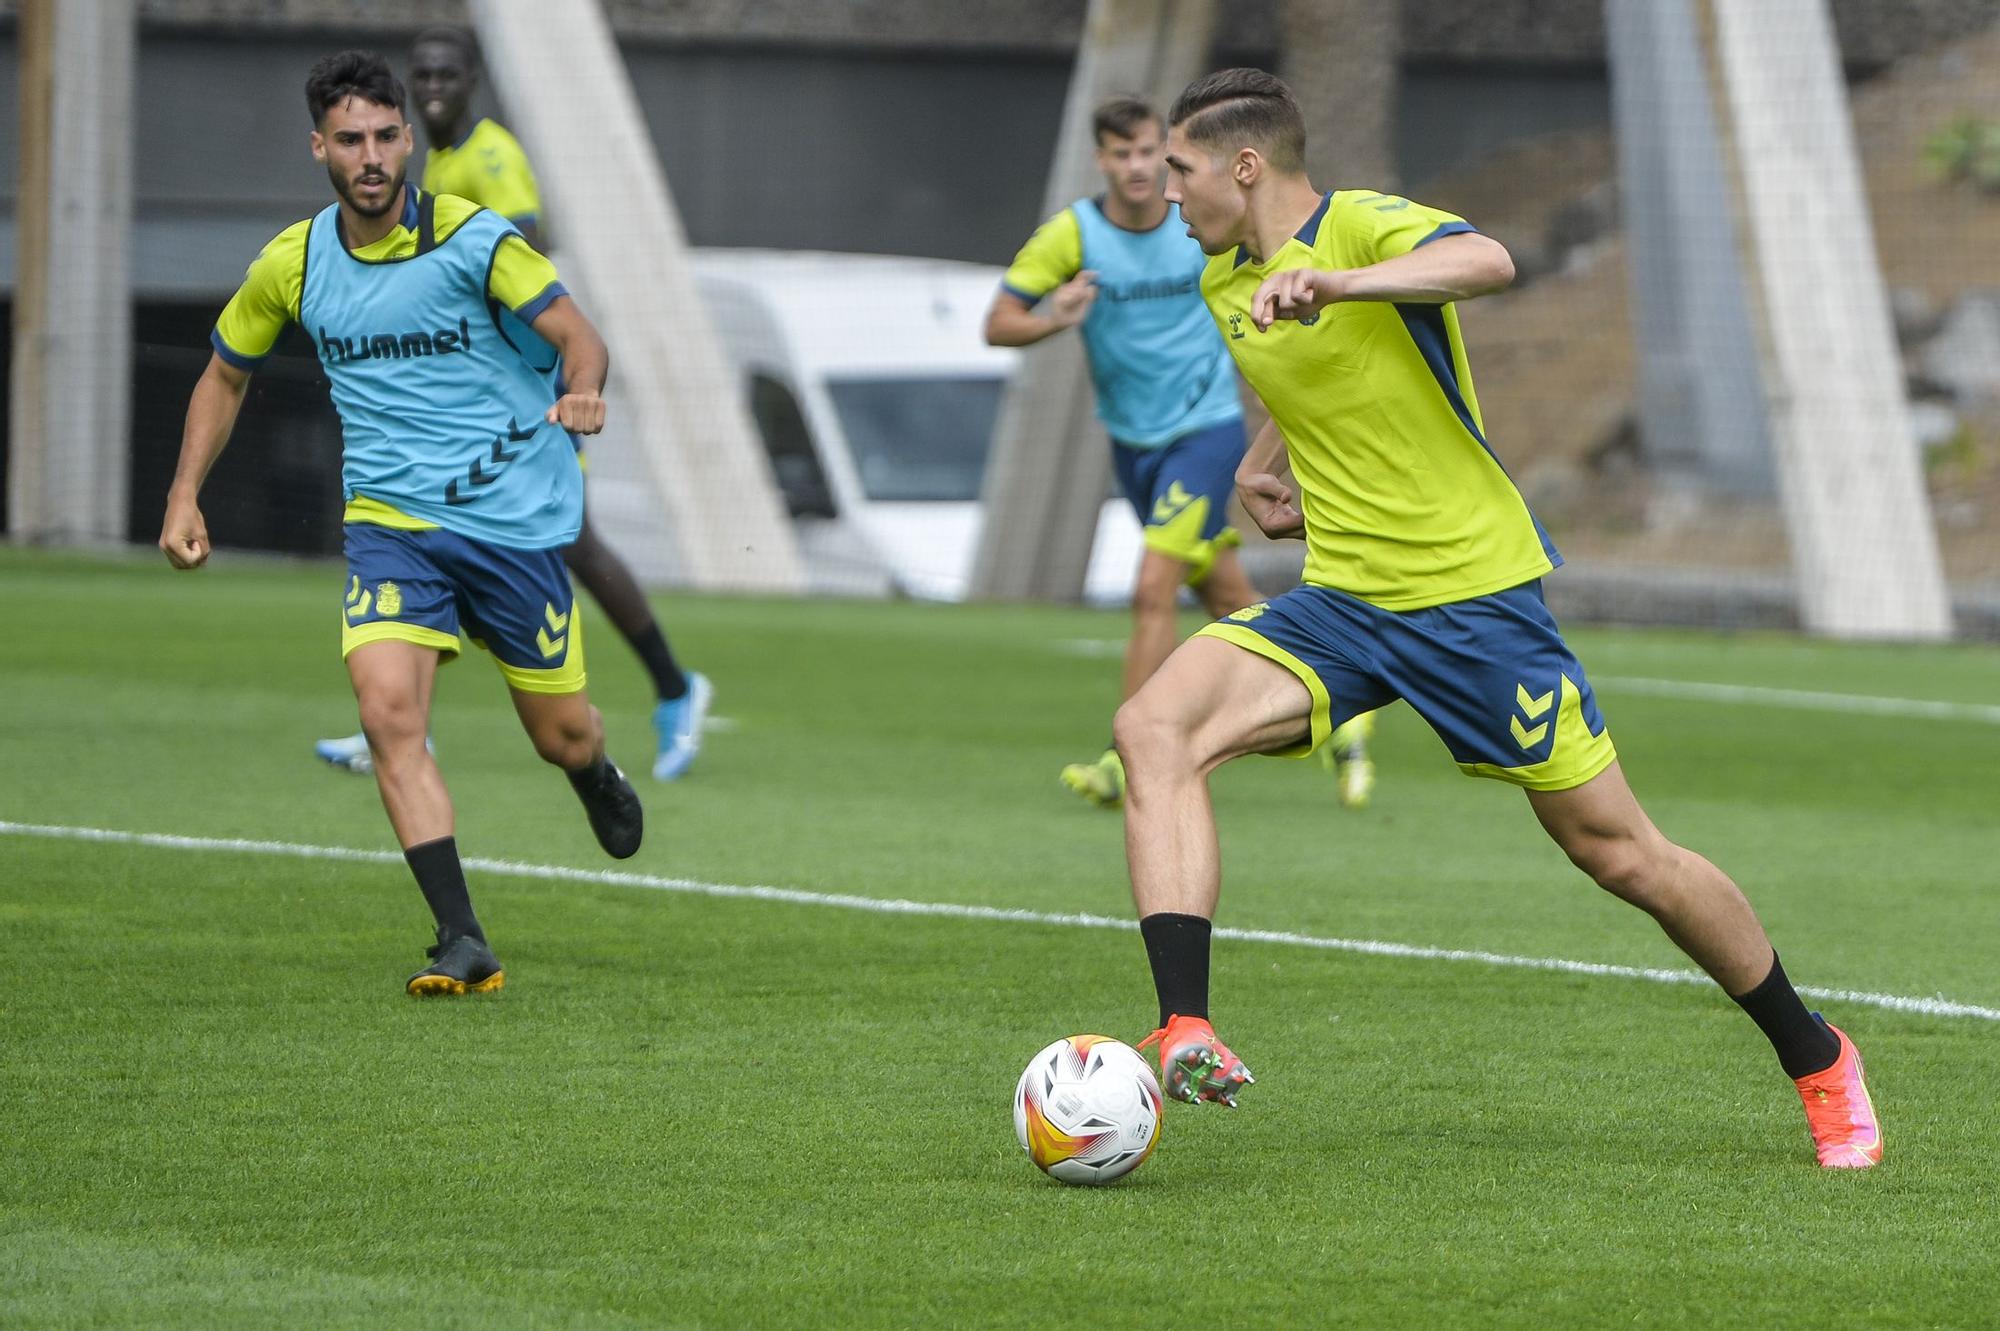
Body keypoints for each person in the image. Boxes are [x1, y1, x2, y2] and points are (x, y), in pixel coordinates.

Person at [1119, 68, 1880, 1169]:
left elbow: (1487, 261)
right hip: (1341, 599)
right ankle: (1184, 1024)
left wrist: (1338, 283)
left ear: (1244, 165)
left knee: (1620, 854)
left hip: (1472, 601)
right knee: (1154, 728)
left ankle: (1816, 1057)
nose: (1163, 193)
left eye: (1178, 171)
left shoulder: (1361, 225)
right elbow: (1317, 385)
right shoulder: (1221, 282)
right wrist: (1261, 460)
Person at [161, 50, 646, 996]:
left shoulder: (476, 240)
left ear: (408, 142)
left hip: (511, 525)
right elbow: (225, 373)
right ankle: (462, 939)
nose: (373, 155)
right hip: (392, 526)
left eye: (387, 136)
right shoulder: (292, 263)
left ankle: (592, 770)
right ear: (320, 149)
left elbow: (580, 340)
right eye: (351, 139)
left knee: (561, 735)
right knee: (387, 713)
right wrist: (184, 494)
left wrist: (583, 393)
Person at [313, 25, 712, 783]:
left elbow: (523, 249)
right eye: (422, 72)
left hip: (519, 400)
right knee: (474, 537)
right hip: (477, 404)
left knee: (569, 542)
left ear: (473, 80)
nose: (433, 84)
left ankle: (675, 686)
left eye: (447, 73)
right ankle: (402, 725)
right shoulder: (432, 159)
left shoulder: (492, 156)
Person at [985, 95, 1377, 813]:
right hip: (1135, 447)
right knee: (1225, 595)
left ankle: (1124, 757)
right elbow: (999, 322)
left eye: (1150, 154)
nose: (1140, 170)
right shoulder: (1074, 235)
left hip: (1206, 432)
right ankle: (1348, 712)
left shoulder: (1201, 229)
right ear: (1100, 159)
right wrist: (1053, 318)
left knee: (1151, 587)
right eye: (1122, 154)